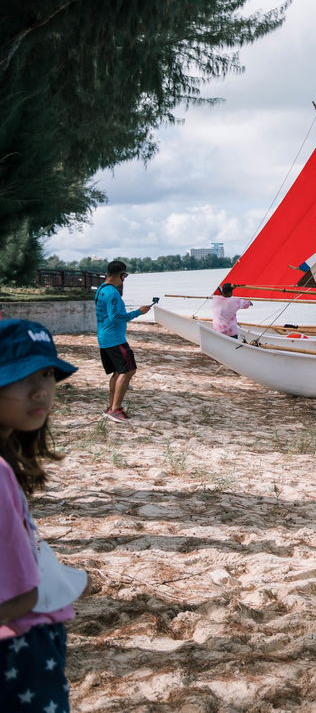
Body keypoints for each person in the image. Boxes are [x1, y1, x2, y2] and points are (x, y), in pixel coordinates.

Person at [0, 320, 88, 710]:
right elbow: (22, 596)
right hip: (19, 649)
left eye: (48, 373)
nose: (40, 390)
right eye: (20, 377)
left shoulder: (9, 461)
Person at [95, 260, 151, 422]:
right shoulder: (112, 293)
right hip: (114, 339)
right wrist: (138, 312)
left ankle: (111, 407)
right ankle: (116, 410)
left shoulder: (101, 289)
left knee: (119, 371)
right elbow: (116, 318)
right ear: (120, 274)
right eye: (124, 276)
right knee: (128, 370)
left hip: (104, 337)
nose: (124, 279)